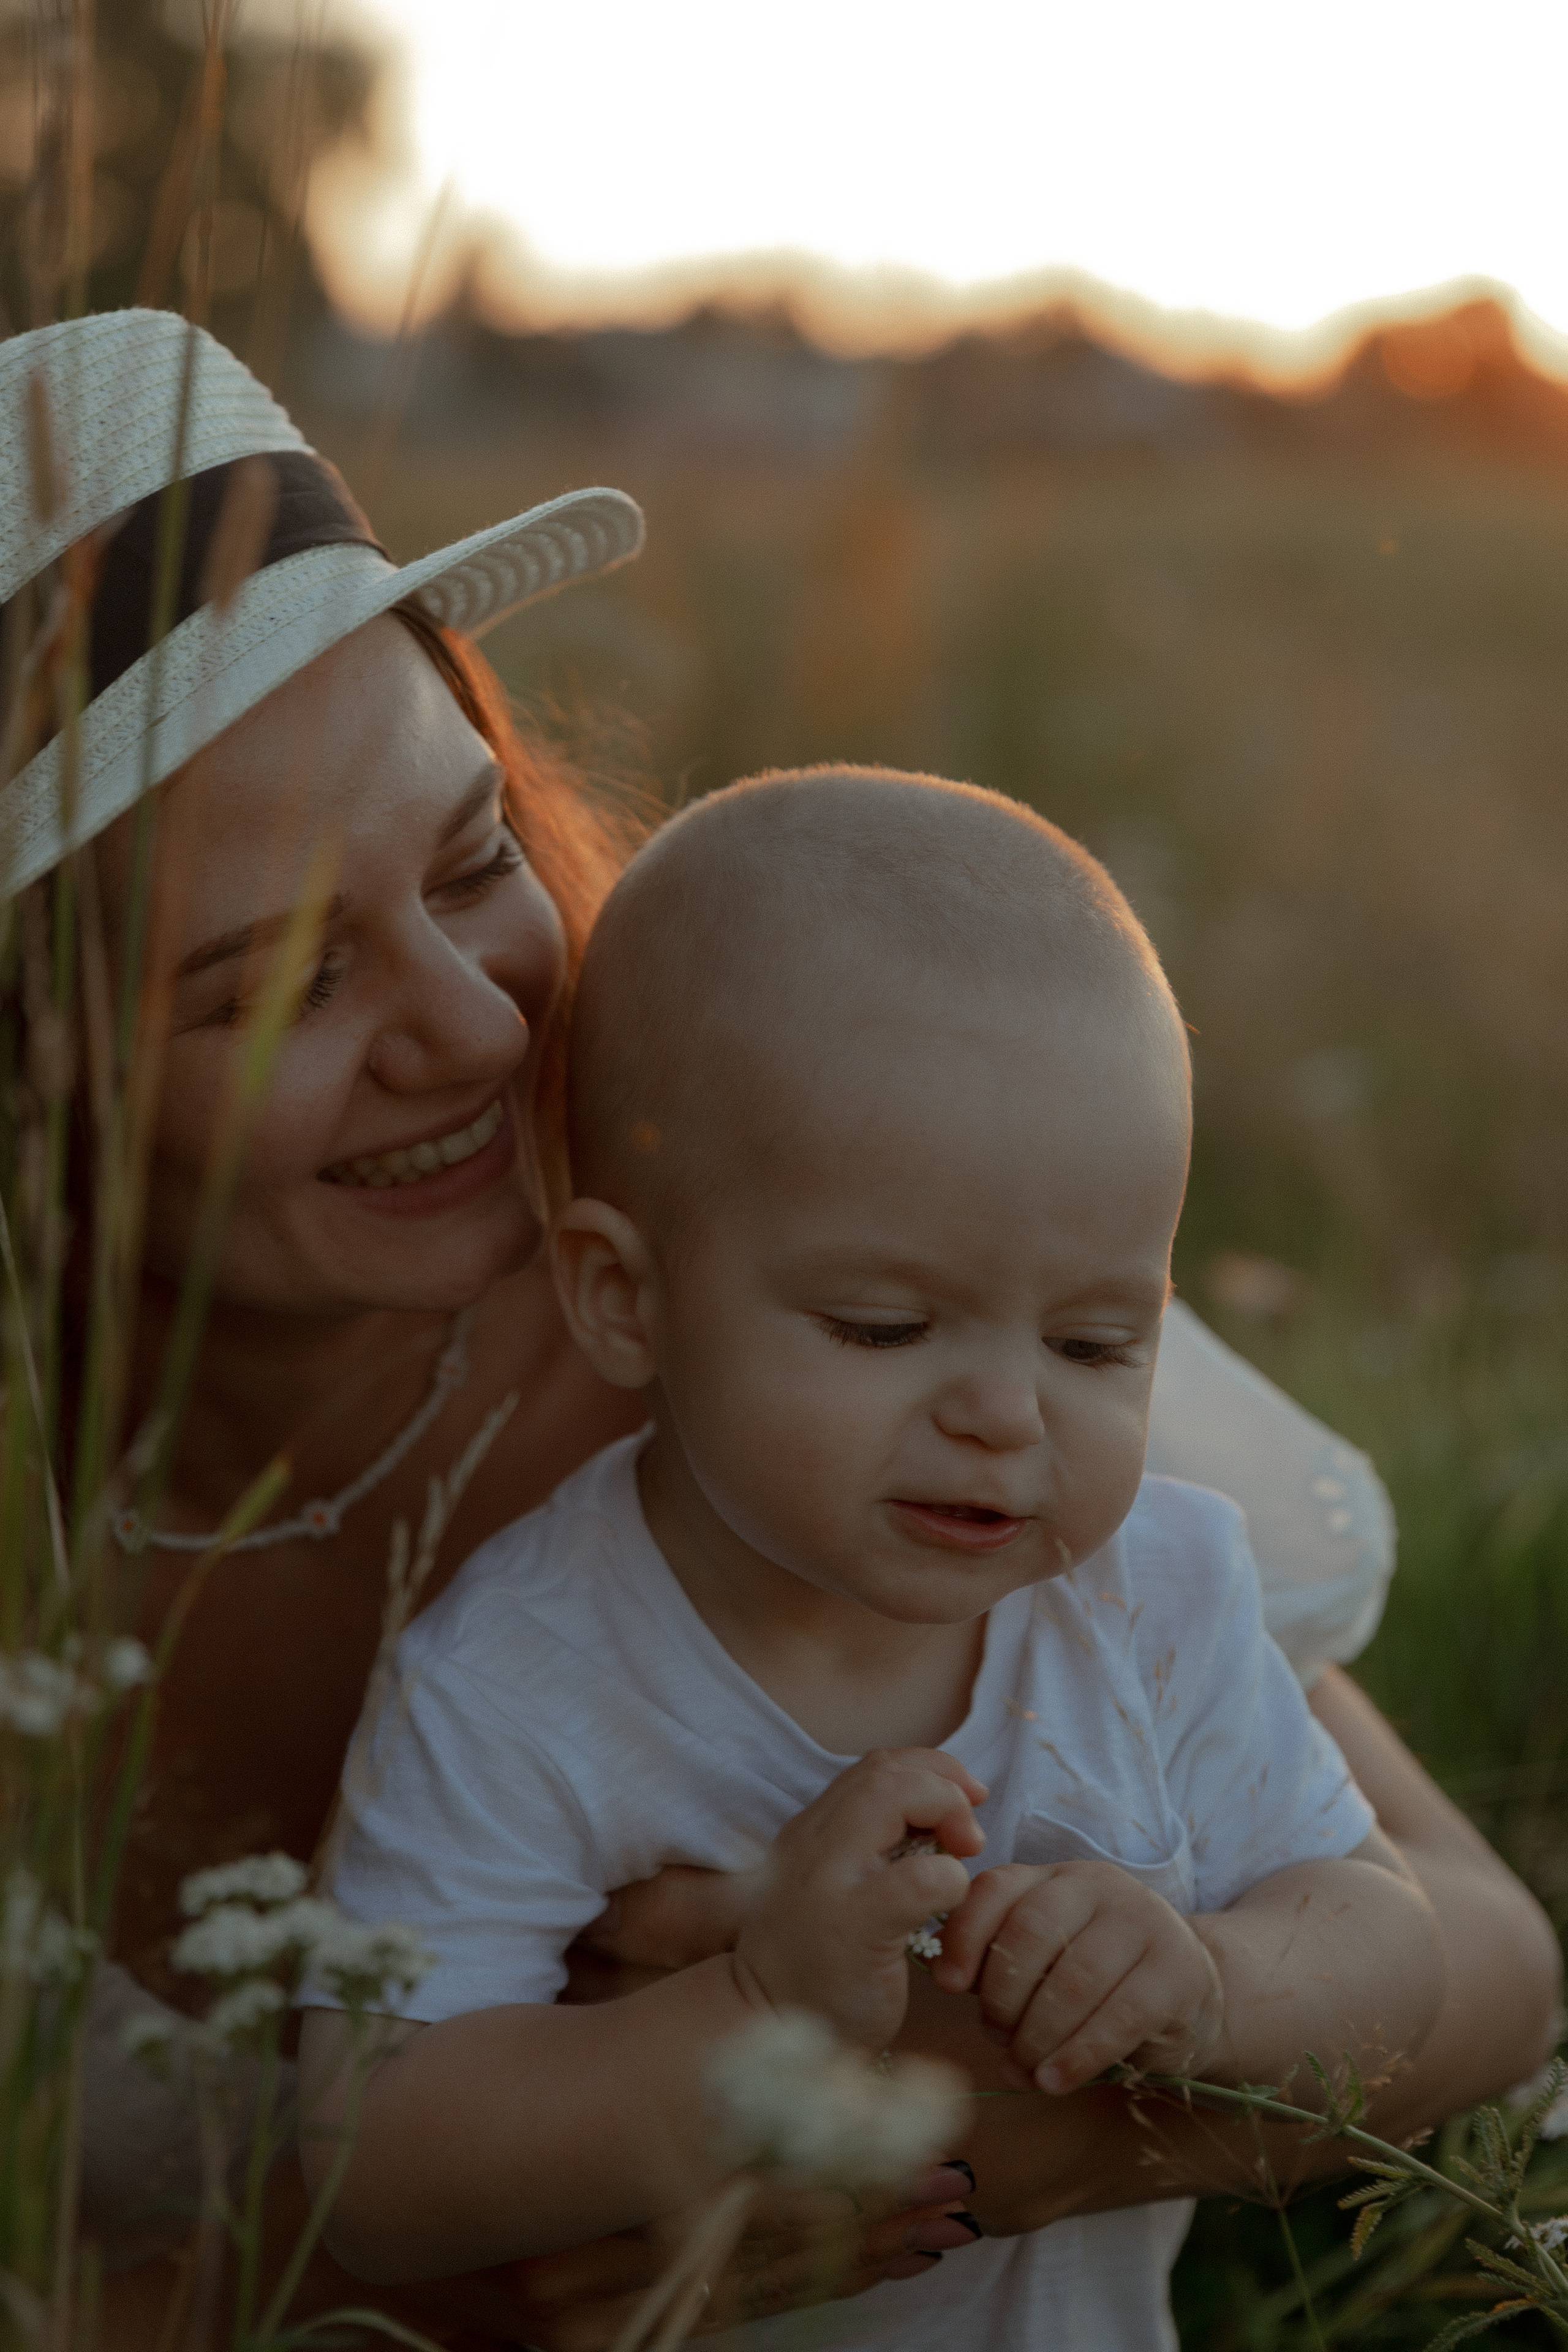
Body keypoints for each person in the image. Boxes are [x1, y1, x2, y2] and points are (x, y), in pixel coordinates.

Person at [0, 312, 1553, 2351]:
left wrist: (1006, 2135)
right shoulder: (514, 1649)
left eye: (473, 861)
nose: (479, 1030)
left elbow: (1481, 1959)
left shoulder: (851, 1296)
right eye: (276, 983)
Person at [298, 770, 1446, 2350]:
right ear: (625, 1299)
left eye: (1099, 1340)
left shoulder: (1151, 1597)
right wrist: (752, 2009)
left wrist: (1209, 1985)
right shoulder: (521, 1678)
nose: (1002, 1414)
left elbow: (1400, 1951)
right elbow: (374, 2157)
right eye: (883, 1327)